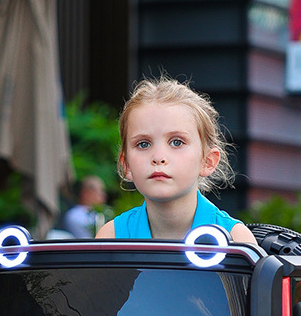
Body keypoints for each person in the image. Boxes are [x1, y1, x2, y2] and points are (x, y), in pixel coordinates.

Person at [96, 76, 257, 244]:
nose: (158, 157)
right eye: (143, 144)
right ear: (126, 165)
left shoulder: (236, 240)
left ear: (208, 161)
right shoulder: (111, 237)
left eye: (176, 142)